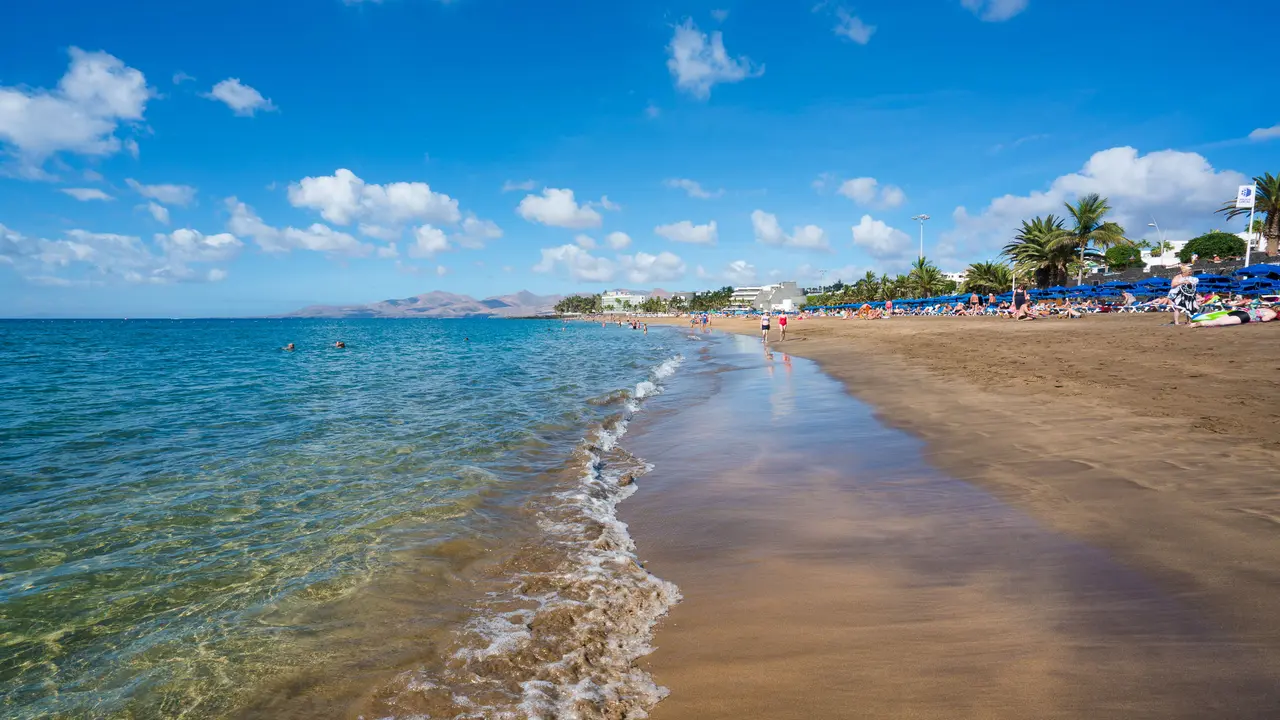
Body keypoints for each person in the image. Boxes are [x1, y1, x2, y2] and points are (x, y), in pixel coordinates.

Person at [1190, 306, 1277, 327]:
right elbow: (1265, 319)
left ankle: (1196, 323)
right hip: (1245, 316)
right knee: (1219, 322)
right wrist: (1273, 318)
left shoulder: (1266, 308)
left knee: (1218, 319)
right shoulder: (1273, 313)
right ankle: (1200, 324)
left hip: (1240, 311)